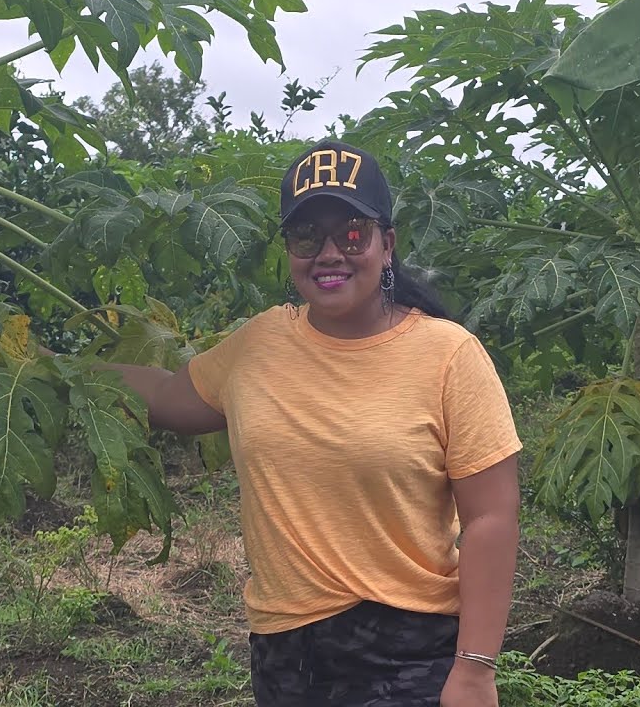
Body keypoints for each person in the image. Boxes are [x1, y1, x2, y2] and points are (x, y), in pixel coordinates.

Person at [97, 140, 522, 706]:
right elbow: (170, 396)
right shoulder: (261, 342)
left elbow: (491, 516)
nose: (328, 253)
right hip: (284, 653)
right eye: (306, 236)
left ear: (386, 245)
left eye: (351, 233)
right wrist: (59, 372)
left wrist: (474, 670)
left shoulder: (448, 354)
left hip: (407, 651)